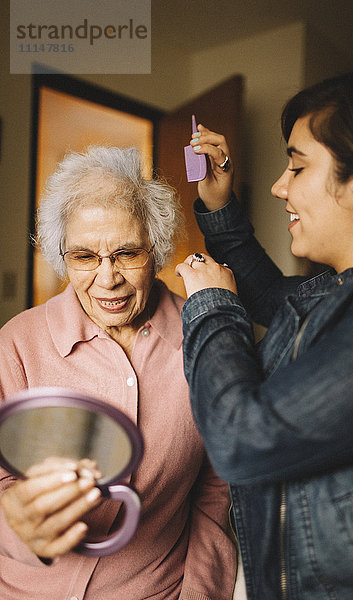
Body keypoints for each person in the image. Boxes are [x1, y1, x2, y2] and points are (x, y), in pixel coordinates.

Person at [175, 63, 353, 600]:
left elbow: (241, 438)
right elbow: (277, 299)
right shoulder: (341, 291)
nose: (279, 186)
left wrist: (211, 306)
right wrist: (217, 202)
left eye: (297, 168)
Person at [0, 146, 237, 600]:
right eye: (84, 257)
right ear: (61, 254)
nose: (107, 279)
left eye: (127, 253)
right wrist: (17, 523)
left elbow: (217, 487)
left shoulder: (204, 337)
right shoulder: (17, 344)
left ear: (158, 248)